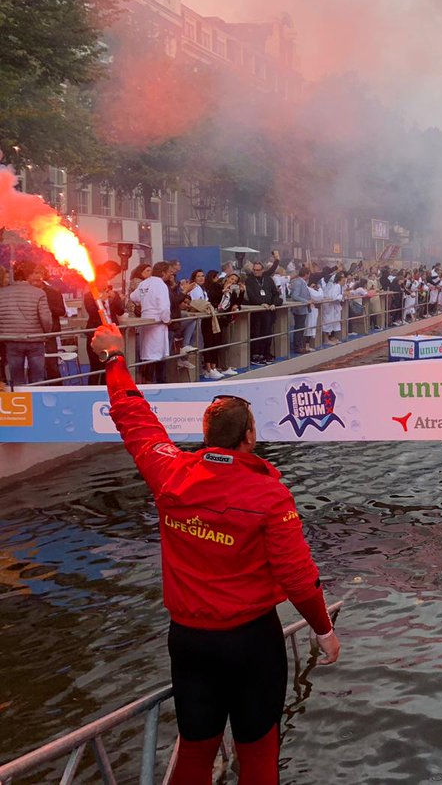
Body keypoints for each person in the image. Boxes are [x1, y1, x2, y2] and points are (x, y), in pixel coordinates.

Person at [87, 324, 339, 784]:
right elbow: (298, 575)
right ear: (248, 437)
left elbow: (133, 417)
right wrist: (323, 630)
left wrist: (113, 360)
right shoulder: (269, 495)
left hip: (189, 642)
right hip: (251, 643)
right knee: (260, 754)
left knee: (196, 752)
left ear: (206, 436)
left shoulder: (170, 473)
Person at [0, 260, 53, 385]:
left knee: (16, 377)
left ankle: (20, 401)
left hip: (11, 339)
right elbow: (46, 318)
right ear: (29, 275)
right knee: (37, 377)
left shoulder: (2, 293)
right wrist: (46, 333)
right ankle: (37, 401)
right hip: (35, 339)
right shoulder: (39, 293)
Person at [84, 261, 127, 385]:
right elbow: (92, 312)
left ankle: (107, 388)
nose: (105, 283)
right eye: (102, 280)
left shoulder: (113, 294)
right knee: (95, 367)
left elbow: (120, 311)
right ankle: (91, 391)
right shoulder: (89, 296)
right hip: (96, 334)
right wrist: (101, 301)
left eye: (107, 280)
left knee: (110, 367)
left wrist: (115, 299)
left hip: (111, 335)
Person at [244, 260, 283, 365]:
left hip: (268, 311)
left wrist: (274, 303)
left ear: (262, 270)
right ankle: (256, 355)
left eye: (258, 270)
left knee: (267, 332)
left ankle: (266, 353)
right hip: (257, 311)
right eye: (254, 270)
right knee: (256, 333)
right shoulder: (249, 280)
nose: (256, 272)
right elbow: (251, 296)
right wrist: (260, 304)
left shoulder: (268, 279)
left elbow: (275, 293)